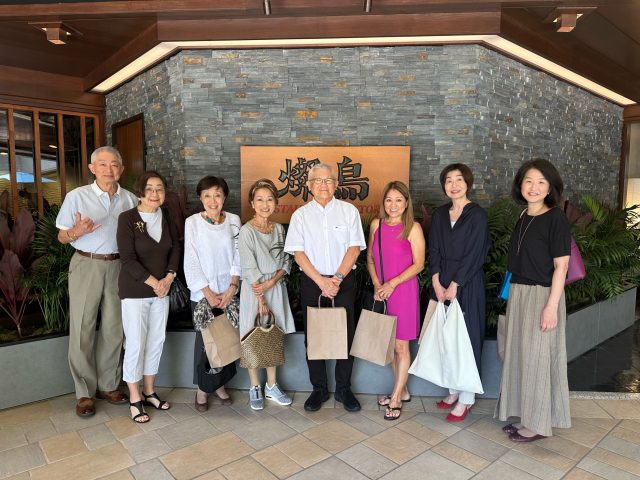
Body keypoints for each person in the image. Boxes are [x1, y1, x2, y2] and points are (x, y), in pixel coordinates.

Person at [56, 146, 138, 417]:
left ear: (121, 169)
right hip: (86, 264)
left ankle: (109, 385)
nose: (108, 169)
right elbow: (61, 237)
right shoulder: (77, 197)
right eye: (102, 164)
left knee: (115, 327)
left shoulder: (130, 199)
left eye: (114, 164)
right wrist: (75, 231)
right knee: (83, 327)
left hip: (119, 266)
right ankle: (84, 392)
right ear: (92, 168)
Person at [495, 158, 571, 442]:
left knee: (538, 359)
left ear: (550, 188)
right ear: (520, 185)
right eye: (528, 181)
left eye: (541, 182)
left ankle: (538, 424)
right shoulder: (524, 215)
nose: (534, 187)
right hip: (519, 293)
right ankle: (526, 415)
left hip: (542, 295)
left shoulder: (556, 218)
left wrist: (551, 306)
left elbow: (562, 266)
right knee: (521, 356)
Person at [284, 163, 366, 412]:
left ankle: (343, 389)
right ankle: (318, 389)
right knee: (314, 337)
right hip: (313, 282)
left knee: (346, 334)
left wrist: (337, 279)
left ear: (336, 184)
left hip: (343, 282)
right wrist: (321, 281)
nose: (323, 185)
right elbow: (298, 253)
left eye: (328, 180)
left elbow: (354, 248)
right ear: (309, 185)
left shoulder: (349, 211)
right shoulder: (300, 215)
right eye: (317, 181)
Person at [116, 171, 181, 423]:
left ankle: (149, 391)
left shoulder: (166, 216)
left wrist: (169, 277)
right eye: (150, 189)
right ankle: (134, 397)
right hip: (135, 292)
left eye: (160, 189)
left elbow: (176, 247)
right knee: (136, 343)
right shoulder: (127, 219)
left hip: (162, 291)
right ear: (140, 192)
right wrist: (156, 283)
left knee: (156, 340)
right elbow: (127, 259)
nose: (155, 194)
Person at [429, 164, 490, 422]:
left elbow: (476, 254)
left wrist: (456, 283)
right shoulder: (440, 214)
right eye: (448, 180)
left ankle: (467, 398)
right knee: (447, 339)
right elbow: (433, 248)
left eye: (459, 179)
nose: (454, 185)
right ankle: (453, 389)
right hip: (441, 283)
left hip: (468, 284)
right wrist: (436, 280)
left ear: (468, 183)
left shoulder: (477, 216)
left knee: (467, 339)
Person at [368, 181, 424, 421]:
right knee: (392, 347)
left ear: (406, 203)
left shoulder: (413, 228)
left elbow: (419, 264)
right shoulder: (376, 225)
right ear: (384, 202)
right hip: (383, 291)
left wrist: (392, 284)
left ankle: (396, 397)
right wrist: (377, 284)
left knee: (402, 347)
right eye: (389, 200)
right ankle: (403, 390)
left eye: (399, 200)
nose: (393, 205)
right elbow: (370, 258)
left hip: (403, 292)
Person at [184, 175, 241, 412]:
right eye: (207, 195)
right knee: (205, 344)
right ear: (200, 198)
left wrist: (232, 288)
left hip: (228, 294)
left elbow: (239, 255)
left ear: (224, 197)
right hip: (203, 296)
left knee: (226, 340)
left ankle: (219, 385)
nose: (213, 200)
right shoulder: (192, 223)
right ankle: (202, 389)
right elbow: (191, 259)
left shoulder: (234, 220)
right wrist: (207, 292)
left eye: (217, 195)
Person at [238, 179, 296, 410]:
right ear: (252, 203)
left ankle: (272, 385)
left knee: (273, 335)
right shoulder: (246, 231)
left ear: (276, 203)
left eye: (269, 199)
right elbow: (249, 267)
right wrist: (261, 299)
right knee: (252, 335)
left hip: (275, 287)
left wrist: (273, 281)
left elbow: (286, 261)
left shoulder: (279, 229)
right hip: (255, 290)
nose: (265, 204)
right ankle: (254, 386)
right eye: (260, 200)